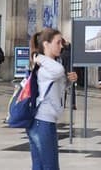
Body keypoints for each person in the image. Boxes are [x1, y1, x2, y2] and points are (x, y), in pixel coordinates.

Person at [26, 28, 78, 170]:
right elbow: (58, 71)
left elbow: (54, 85)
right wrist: (37, 56)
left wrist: (68, 81)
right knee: (50, 166)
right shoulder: (44, 64)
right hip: (42, 121)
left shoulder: (48, 64)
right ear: (46, 44)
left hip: (41, 121)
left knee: (40, 166)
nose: (61, 46)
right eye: (58, 42)